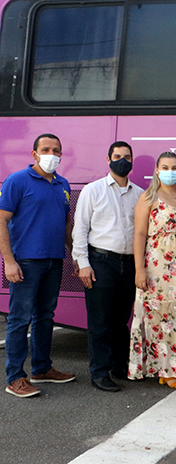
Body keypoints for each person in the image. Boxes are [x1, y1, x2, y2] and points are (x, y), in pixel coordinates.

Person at [0, 134, 76, 398]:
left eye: (56, 150)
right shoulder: (17, 181)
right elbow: (1, 220)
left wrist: (75, 257)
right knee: (19, 319)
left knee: (45, 316)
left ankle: (42, 368)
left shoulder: (62, 184)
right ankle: (15, 377)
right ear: (34, 154)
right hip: (25, 262)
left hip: (54, 261)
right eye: (46, 149)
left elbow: (67, 226)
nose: (51, 154)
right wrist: (9, 261)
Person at [73, 141, 144, 392]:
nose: (122, 161)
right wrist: (82, 264)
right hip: (101, 262)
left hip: (129, 263)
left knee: (121, 320)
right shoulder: (92, 191)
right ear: (108, 159)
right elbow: (80, 229)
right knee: (100, 321)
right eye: (117, 156)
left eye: (127, 157)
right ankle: (99, 373)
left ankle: (119, 366)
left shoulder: (140, 194)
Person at [129, 152, 176, 389]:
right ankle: (165, 369)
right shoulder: (148, 197)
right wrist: (139, 270)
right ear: (157, 169)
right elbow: (138, 234)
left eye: (174, 167)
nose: (170, 171)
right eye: (165, 167)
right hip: (158, 264)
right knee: (162, 315)